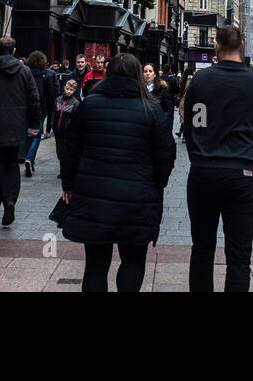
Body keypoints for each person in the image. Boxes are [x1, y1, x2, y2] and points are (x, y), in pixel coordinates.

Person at [61, 53, 176, 292]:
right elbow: (165, 153)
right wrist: (158, 183)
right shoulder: (151, 108)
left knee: (95, 264)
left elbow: (70, 148)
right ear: (137, 75)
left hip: (94, 195)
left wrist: (69, 184)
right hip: (137, 197)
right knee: (133, 260)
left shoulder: (90, 104)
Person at [181, 25, 253, 292]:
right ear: (242, 47)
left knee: (202, 247)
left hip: (203, 172)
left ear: (217, 46)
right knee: (239, 255)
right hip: (241, 174)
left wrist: (197, 157)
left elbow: (192, 125)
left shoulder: (201, 81)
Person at [0, 36, 42, 228]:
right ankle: (10, 200)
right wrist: (35, 123)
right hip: (15, 129)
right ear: (13, 51)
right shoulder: (25, 71)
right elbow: (34, 99)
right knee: (11, 167)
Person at [22, 52, 52, 177]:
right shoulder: (46, 75)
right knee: (36, 135)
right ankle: (29, 158)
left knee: (28, 135)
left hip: (26, 109)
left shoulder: (25, 73)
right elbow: (49, 95)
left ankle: (30, 161)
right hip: (40, 109)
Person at [53, 78, 81, 182]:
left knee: (65, 152)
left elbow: (75, 120)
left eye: (71, 90)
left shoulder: (75, 103)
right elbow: (54, 114)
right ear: (64, 88)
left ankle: (65, 170)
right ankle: (63, 168)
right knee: (59, 152)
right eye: (67, 89)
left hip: (67, 133)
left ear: (74, 91)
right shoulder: (58, 100)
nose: (69, 91)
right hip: (57, 131)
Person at [143, 63, 174, 134]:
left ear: (155, 74)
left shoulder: (163, 89)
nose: (148, 73)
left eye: (150, 71)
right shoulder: (138, 89)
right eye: (145, 71)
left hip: (157, 126)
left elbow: (167, 109)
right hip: (142, 126)